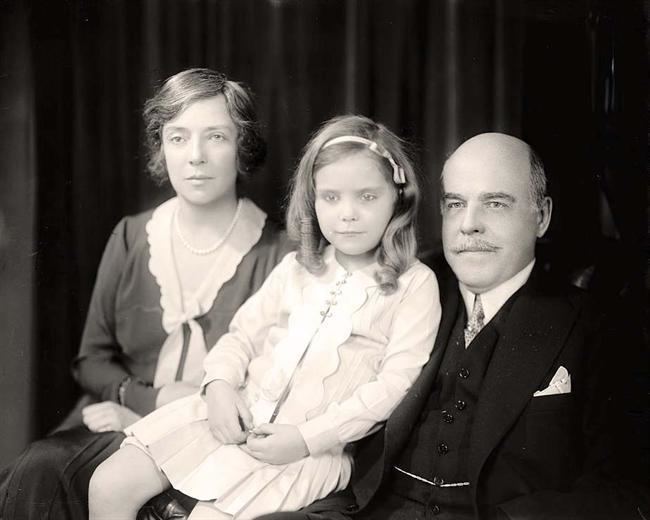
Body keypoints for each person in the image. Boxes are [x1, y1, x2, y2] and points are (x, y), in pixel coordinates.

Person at [256, 132, 650, 519]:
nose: (469, 225)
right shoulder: (400, 292)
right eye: (456, 204)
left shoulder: (597, 326)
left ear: (541, 216)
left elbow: (627, 490)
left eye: (495, 204)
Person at [88, 114, 442, 520]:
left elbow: (394, 386)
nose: (347, 214)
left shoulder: (414, 285)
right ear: (312, 200)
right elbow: (240, 336)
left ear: (397, 197)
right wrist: (218, 386)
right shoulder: (297, 267)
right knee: (109, 483)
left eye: (367, 197)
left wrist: (307, 439)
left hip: (303, 452)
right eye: (331, 197)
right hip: (231, 417)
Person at [0, 68, 293, 520]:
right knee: (38, 468)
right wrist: (146, 403)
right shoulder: (132, 236)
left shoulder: (280, 255)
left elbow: (280, 385)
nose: (195, 156)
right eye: (178, 137)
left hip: (215, 438)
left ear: (243, 147)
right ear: (162, 148)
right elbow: (91, 361)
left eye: (215, 136)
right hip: (114, 421)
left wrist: (163, 417)